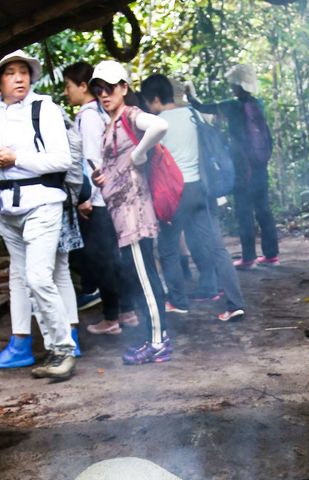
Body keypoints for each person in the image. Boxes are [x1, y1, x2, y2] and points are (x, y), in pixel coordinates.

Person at [0, 49, 76, 380]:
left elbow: (62, 160)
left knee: (39, 277)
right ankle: (44, 348)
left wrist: (17, 159)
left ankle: (64, 349)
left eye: (24, 72)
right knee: (25, 278)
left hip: (42, 203)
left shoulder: (45, 109)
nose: (19, 78)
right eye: (11, 72)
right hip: (8, 210)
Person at [140, 73, 245, 323]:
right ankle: (235, 303)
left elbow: (148, 160)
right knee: (217, 247)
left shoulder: (158, 123)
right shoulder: (193, 115)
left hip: (173, 193)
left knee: (167, 248)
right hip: (201, 188)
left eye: (147, 101)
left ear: (155, 98)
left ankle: (178, 301)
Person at [89, 61, 172, 364]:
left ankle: (158, 342)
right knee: (139, 279)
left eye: (109, 88)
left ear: (124, 88)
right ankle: (153, 338)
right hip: (122, 216)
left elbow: (160, 126)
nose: (103, 94)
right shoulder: (111, 123)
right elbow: (117, 166)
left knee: (146, 279)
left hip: (136, 215)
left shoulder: (129, 115)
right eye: (98, 89)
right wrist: (104, 178)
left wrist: (139, 154)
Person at [63, 61, 138, 335]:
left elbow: (94, 161)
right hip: (111, 197)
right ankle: (127, 311)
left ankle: (112, 316)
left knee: (102, 258)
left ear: (83, 87)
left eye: (68, 86)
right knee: (114, 258)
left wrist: (88, 196)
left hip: (100, 200)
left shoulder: (88, 117)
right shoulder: (101, 113)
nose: (65, 92)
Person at [188, 63, 279, 270]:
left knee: (244, 212)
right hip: (260, 167)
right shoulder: (259, 104)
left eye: (233, 84)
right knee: (264, 210)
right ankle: (271, 254)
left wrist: (190, 94)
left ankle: (248, 257)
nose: (231, 88)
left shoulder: (231, 105)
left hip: (242, 168)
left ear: (238, 85)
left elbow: (202, 107)